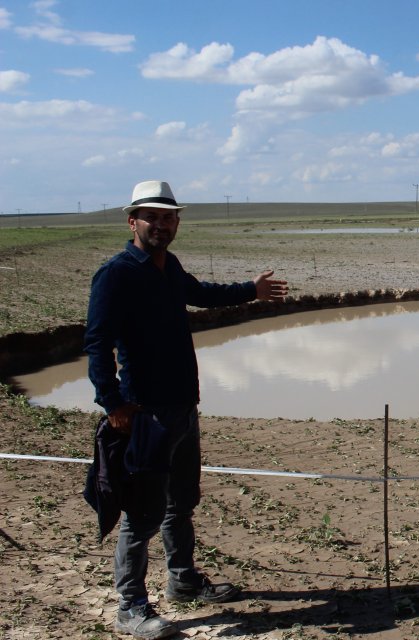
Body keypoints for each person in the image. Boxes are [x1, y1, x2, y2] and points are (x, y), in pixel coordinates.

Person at [84, 180, 288, 639]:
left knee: (182, 502)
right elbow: (96, 344)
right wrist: (112, 402)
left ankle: (182, 580)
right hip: (144, 414)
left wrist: (250, 290)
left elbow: (202, 293)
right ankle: (130, 607)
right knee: (142, 512)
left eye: (168, 216)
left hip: (182, 406)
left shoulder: (167, 266)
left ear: (177, 222)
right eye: (151, 216)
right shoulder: (116, 273)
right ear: (132, 220)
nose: (161, 224)